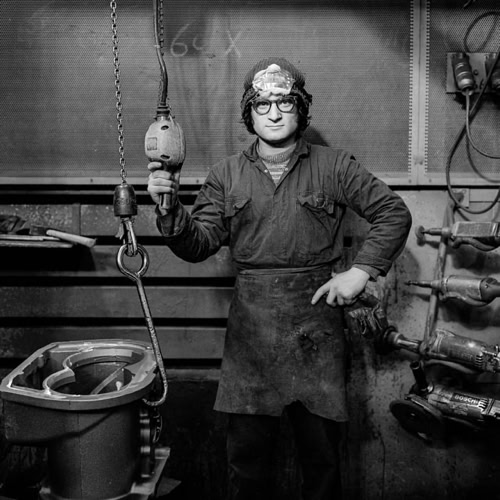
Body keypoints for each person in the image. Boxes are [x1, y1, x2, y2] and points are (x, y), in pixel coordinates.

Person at [147, 57, 412, 500]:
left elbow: (393, 213)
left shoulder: (334, 166)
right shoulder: (226, 174)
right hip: (251, 333)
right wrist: (169, 209)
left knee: (322, 461)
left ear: (301, 109)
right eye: (261, 104)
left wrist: (360, 271)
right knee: (246, 464)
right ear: (249, 113)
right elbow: (198, 245)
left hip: (317, 327)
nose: (273, 113)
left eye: (285, 102)